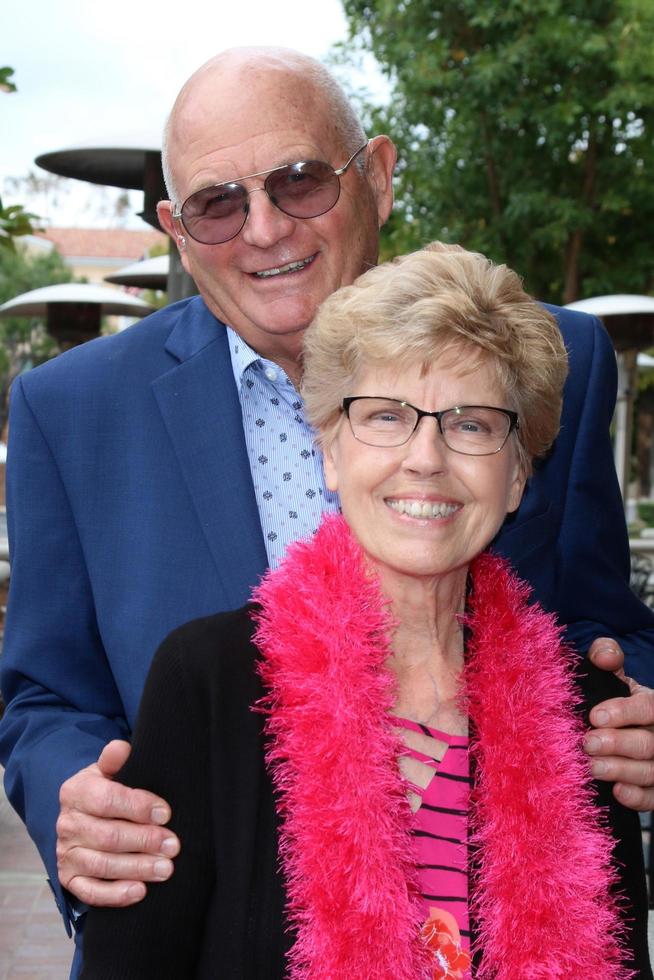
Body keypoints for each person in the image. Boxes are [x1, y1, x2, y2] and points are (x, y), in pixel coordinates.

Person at [0, 46, 653, 978]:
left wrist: (637, 717)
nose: (265, 230)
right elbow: (45, 694)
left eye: (301, 181)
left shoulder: (546, 363)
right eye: (219, 203)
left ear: (378, 177)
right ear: (177, 231)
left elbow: (604, 626)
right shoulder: (70, 410)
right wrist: (84, 797)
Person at [79, 243, 651, 979]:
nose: (425, 457)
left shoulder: (590, 716)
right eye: (386, 416)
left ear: (517, 475)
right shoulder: (209, 682)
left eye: (471, 423)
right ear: (329, 449)